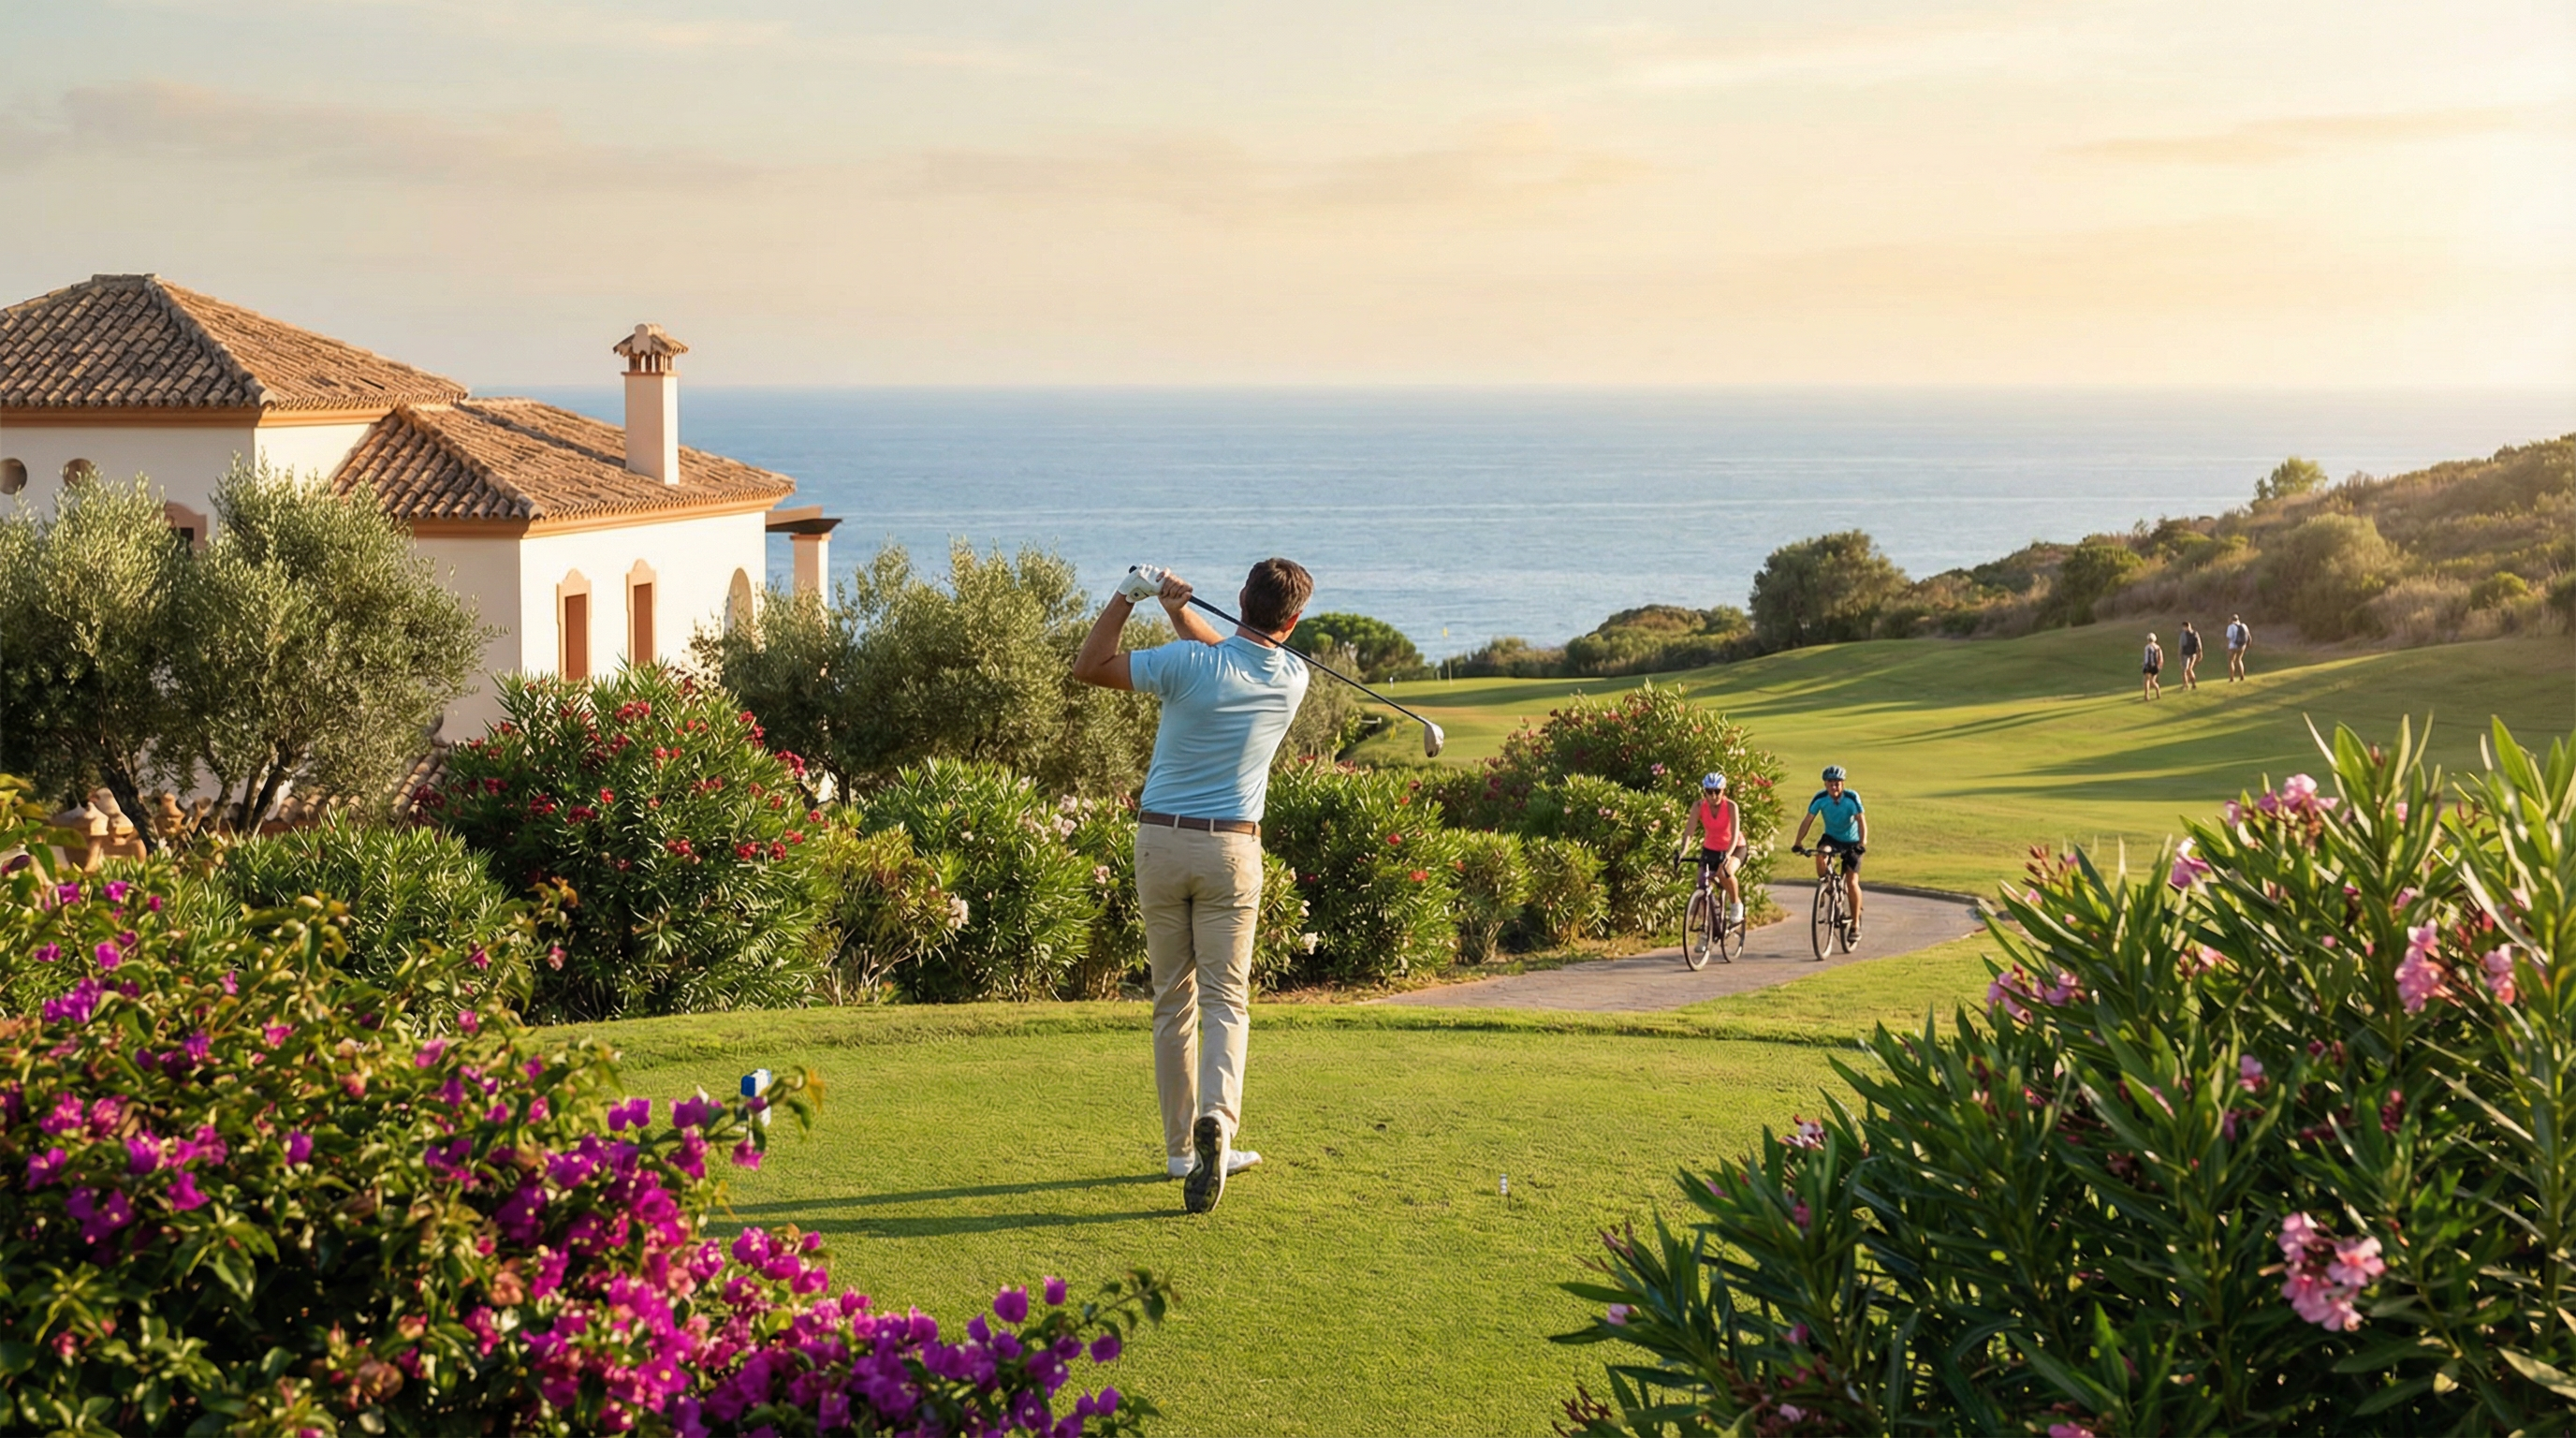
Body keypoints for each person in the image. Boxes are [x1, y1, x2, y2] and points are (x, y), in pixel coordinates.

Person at [1072, 559, 1313, 1215]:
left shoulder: (1185, 665)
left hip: (1160, 842)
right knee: (1225, 1000)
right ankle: (1219, 1125)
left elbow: (1090, 666)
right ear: (1293, 620)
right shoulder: (1293, 678)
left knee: (1171, 1000)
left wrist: (1131, 596)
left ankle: (1182, 1151)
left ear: (1240, 598)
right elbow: (1239, 655)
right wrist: (1178, 612)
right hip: (1231, 850)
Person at [1791, 765, 1866, 943]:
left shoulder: (1851, 798)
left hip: (1852, 842)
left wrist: (1862, 843)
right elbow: (1808, 820)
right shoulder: (1820, 798)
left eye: (1837, 783)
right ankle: (1826, 887)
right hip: (1831, 839)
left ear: (1843, 783)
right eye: (1830, 783)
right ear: (1825, 784)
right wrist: (1798, 842)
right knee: (1821, 854)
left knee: (1852, 882)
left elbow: (1861, 820)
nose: (1834, 786)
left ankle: (1855, 925)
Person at [1688, 772, 1747, 927]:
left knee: (1725, 872)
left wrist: (1728, 855)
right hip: (1711, 847)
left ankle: (1736, 903)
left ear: (1723, 791)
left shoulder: (1731, 806)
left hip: (1734, 846)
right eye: (1709, 791)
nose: (1713, 796)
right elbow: (1689, 832)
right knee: (1701, 882)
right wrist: (1682, 851)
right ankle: (1708, 925)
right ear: (1704, 792)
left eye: (1717, 791)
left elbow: (1734, 833)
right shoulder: (1699, 806)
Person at [2176, 621, 2203, 690]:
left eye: (2184, 627)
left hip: (2187, 654)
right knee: (2188, 669)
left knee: (2185, 670)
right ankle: (2192, 684)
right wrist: (2200, 653)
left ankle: (2186, 685)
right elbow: (2199, 645)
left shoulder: (2184, 635)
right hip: (2192, 654)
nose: (2184, 628)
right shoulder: (2195, 633)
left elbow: (2181, 646)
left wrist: (2179, 655)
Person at [2225, 613, 2251, 682]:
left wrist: (2227, 647)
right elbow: (2248, 636)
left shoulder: (2231, 627)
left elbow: (2229, 637)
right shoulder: (2244, 625)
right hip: (2242, 646)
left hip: (2233, 646)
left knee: (2231, 661)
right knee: (2239, 660)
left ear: (2231, 619)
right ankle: (2242, 676)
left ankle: (2232, 678)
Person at [2141, 632, 2163, 701]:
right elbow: (2161, 658)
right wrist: (2160, 666)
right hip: (2156, 666)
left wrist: (2144, 664)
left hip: (2148, 666)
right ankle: (2157, 690)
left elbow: (2147, 658)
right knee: (2153, 681)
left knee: (2147, 680)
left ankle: (2147, 695)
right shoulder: (2158, 647)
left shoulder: (2147, 647)